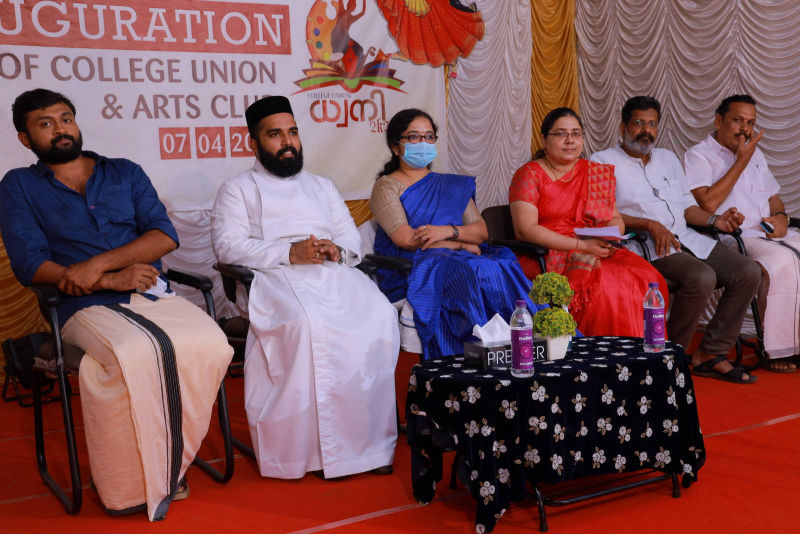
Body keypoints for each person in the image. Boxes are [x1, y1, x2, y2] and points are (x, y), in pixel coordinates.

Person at [0, 89, 233, 520]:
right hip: (77, 305)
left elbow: (163, 236)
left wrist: (99, 264)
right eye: (45, 124)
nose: (60, 129)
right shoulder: (19, 186)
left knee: (212, 344)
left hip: (149, 291)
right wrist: (107, 279)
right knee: (134, 353)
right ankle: (131, 484)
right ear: (25, 138)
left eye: (65, 118)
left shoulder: (124, 171)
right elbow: (30, 263)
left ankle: (169, 458)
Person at [210, 96, 399, 480]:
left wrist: (337, 249)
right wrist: (289, 252)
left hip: (331, 274)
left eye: (292, 132)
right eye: (275, 134)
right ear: (253, 142)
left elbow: (349, 236)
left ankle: (367, 444)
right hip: (272, 277)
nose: (288, 142)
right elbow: (227, 246)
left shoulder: (321, 186)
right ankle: (312, 451)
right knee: (309, 325)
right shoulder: (237, 189)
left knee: (379, 316)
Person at [591, 96, 761, 384]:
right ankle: (668, 358)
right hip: (646, 246)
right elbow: (602, 214)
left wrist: (715, 221)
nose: (646, 130)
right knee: (701, 277)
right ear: (623, 127)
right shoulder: (602, 161)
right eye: (639, 123)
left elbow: (686, 207)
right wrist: (649, 223)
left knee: (748, 271)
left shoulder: (667, 159)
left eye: (652, 124)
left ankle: (710, 353)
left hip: (688, 238)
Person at [369, 108, 545, 360]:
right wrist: (460, 244)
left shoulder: (451, 185)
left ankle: (521, 344)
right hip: (414, 266)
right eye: (414, 137)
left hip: (454, 258)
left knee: (502, 259)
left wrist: (448, 232)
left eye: (429, 137)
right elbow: (407, 239)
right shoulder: (386, 186)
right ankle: (479, 351)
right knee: (476, 269)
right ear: (396, 146)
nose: (423, 143)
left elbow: (481, 232)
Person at [509, 107, 668, 338]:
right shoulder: (529, 174)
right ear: (544, 139)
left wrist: (608, 237)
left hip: (594, 246)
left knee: (647, 277)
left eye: (576, 134)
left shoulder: (595, 173)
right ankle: (598, 352)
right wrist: (580, 246)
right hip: (546, 252)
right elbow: (525, 230)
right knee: (605, 285)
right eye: (561, 134)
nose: (570, 140)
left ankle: (639, 352)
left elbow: (615, 219)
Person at [684, 94, 800, 373]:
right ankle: (777, 348)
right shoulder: (698, 155)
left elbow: (773, 197)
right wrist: (740, 162)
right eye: (738, 120)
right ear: (718, 121)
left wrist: (781, 218)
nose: (745, 129)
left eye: (750, 123)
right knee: (783, 261)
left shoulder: (755, 153)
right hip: (731, 237)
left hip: (768, 233)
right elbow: (706, 204)